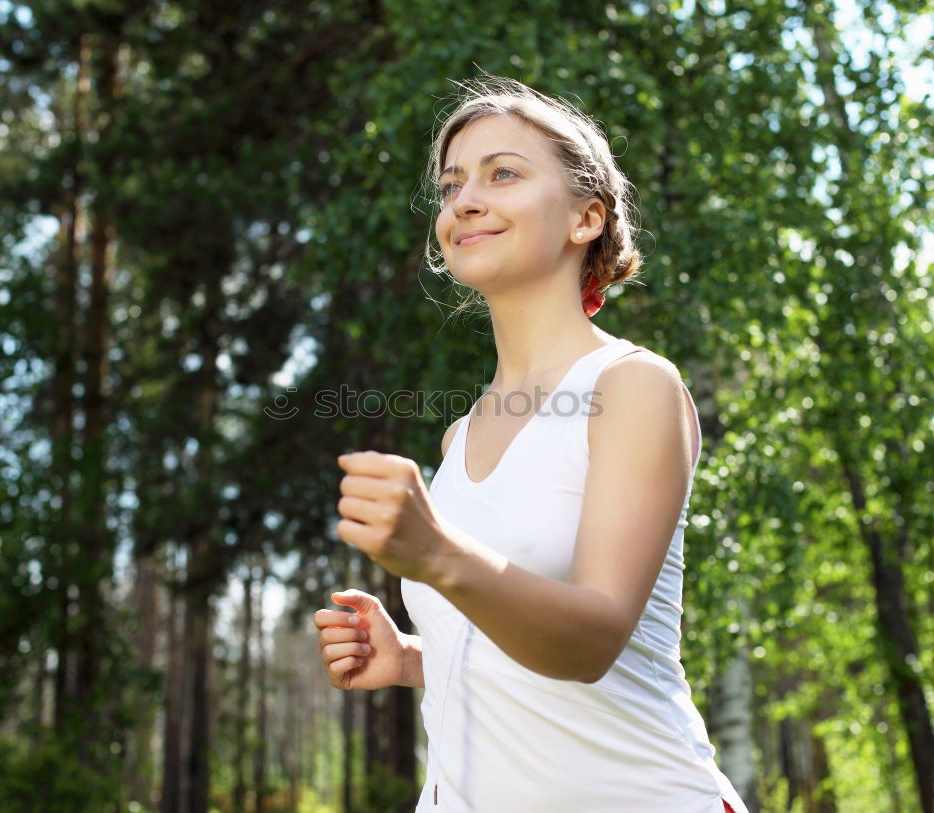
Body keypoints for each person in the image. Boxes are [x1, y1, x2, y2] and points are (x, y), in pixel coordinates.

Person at [313, 76, 748, 813]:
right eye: (451, 186)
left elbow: (592, 639)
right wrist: (419, 656)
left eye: (502, 173)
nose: (464, 201)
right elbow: (514, 636)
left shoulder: (632, 385)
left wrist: (438, 553)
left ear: (587, 217)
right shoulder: (461, 434)